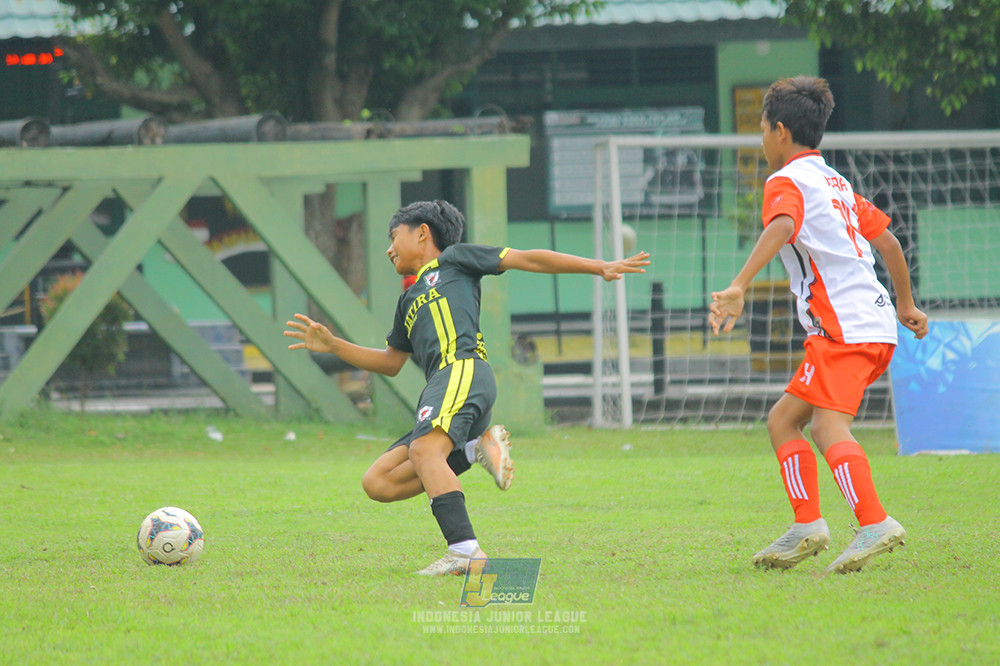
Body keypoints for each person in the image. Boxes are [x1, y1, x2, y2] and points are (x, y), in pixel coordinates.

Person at [285, 200, 650, 576]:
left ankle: (464, 551)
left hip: (462, 371)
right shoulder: (408, 300)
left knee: (425, 449)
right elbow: (390, 363)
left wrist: (599, 266)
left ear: (423, 233)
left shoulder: (456, 260)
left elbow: (530, 259)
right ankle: (477, 448)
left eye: (394, 237)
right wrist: (333, 346)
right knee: (378, 482)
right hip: (445, 389)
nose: (389, 248)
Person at [708, 76, 928, 574]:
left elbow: (782, 225)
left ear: (780, 131)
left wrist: (740, 284)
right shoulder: (836, 182)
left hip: (841, 329)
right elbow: (888, 243)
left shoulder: (784, 181)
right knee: (784, 420)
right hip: (871, 323)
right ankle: (808, 524)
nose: (761, 140)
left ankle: (874, 522)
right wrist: (906, 304)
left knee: (828, 426)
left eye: (763, 130)